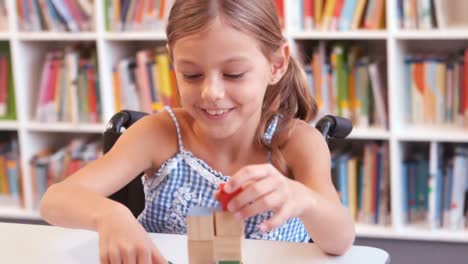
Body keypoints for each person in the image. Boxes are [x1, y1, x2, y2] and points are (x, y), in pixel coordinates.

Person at [40, 0, 355, 263]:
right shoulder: (159, 133)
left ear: (276, 65)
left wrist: (304, 200)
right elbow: (55, 200)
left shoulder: (296, 142)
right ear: (173, 65)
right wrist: (109, 215)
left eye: (233, 74)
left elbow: (340, 240)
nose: (211, 93)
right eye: (192, 75)